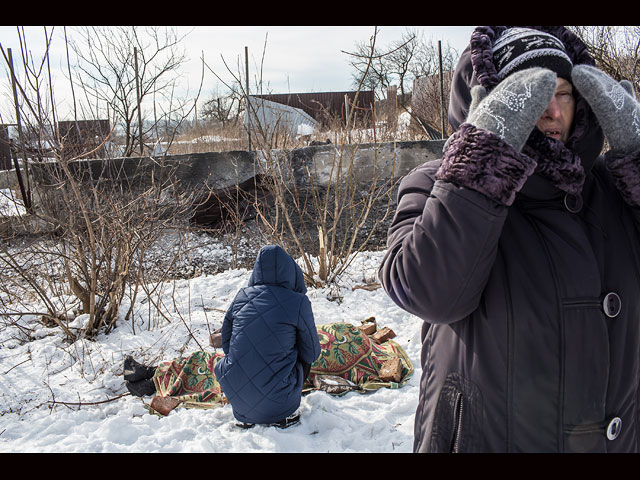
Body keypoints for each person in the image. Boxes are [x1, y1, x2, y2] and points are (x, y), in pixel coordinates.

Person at [378, 26, 640, 453]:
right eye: (528, 93)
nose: (551, 111)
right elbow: (428, 293)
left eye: (563, 93)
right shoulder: (437, 184)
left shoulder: (613, 188)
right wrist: (481, 164)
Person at [214, 244, 321, 428]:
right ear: (291, 271)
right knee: (301, 355)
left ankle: (250, 410)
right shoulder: (298, 302)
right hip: (281, 404)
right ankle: (287, 411)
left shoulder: (241, 297)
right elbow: (311, 353)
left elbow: (226, 344)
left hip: (238, 401)